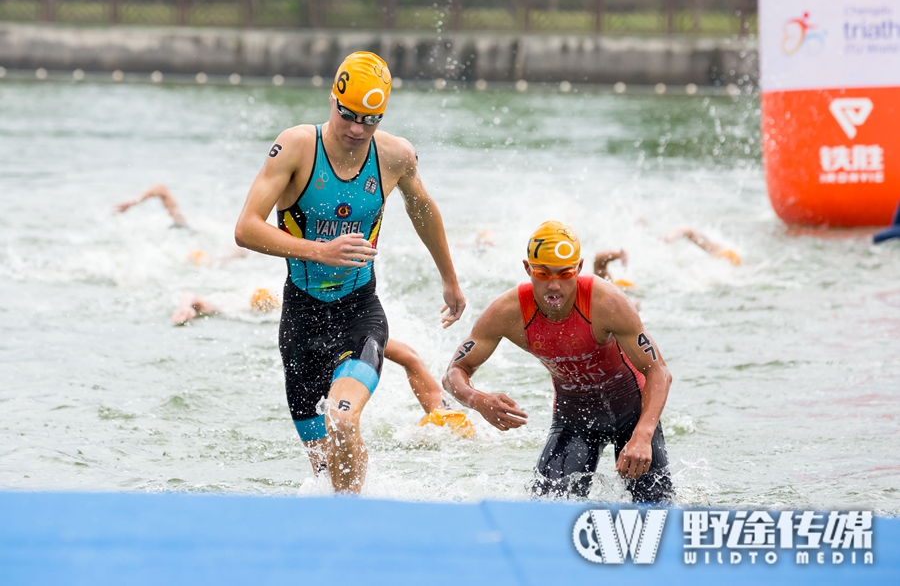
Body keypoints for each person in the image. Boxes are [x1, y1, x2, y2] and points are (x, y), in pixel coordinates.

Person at [233, 51, 466, 493]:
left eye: (370, 119)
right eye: (349, 115)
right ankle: (343, 518)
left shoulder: (395, 156)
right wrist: (319, 250)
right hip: (300, 323)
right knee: (323, 471)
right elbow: (245, 229)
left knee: (341, 420)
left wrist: (449, 279)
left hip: (359, 313)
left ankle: (356, 519)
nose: (357, 129)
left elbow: (423, 210)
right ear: (331, 100)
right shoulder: (297, 147)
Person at [443, 221, 674, 502]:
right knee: (546, 509)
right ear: (528, 269)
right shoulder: (508, 311)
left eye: (565, 274)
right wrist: (476, 399)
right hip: (575, 419)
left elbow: (658, 371)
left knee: (658, 511)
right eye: (543, 274)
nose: (554, 285)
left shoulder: (605, 301)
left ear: (579, 268)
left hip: (632, 413)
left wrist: (643, 434)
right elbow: (455, 370)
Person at [171, 290, 472, 436]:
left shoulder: (353, 331)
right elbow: (202, 300)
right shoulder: (274, 317)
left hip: (348, 348)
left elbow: (410, 357)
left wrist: (438, 410)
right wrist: (188, 307)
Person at [114, 184, 246, 265]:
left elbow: (161, 189)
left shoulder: (181, 228)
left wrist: (133, 201)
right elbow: (161, 189)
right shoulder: (182, 228)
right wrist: (132, 202)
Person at [664, 226, 741, 266]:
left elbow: (687, 230)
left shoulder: (721, 252)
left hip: (728, 255)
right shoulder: (714, 247)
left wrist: (671, 237)